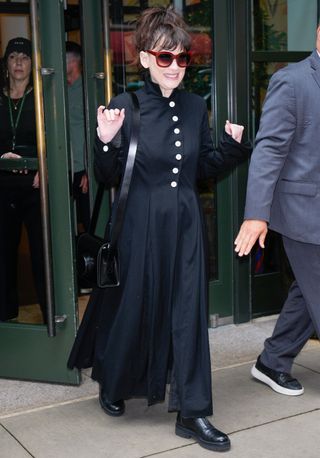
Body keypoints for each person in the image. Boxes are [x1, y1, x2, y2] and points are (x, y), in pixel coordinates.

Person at [68, 7, 249, 452]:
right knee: (133, 307)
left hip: (185, 226)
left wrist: (231, 148)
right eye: (164, 58)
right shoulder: (124, 105)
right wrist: (105, 140)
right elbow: (108, 176)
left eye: (182, 59)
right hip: (138, 226)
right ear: (145, 59)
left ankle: (193, 412)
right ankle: (113, 381)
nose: (174, 67)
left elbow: (202, 166)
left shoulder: (194, 106)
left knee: (189, 314)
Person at [234, 25, 320, 397]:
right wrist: (257, 213)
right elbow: (269, 150)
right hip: (306, 213)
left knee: (308, 291)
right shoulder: (292, 81)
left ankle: (272, 361)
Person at [0, 37, 46, 323]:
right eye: (14, 56)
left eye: (25, 57)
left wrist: (46, 165)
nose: (19, 62)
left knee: (42, 256)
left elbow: (53, 137)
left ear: (33, 64)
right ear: (6, 63)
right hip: (3, 186)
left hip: (35, 186)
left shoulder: (42, 98)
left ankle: (50, 316)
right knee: (3, 255)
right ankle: (5, 319)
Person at [65, 41, 90, 233]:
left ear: (73, 62)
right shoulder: (59, 91)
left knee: (88, 222)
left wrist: (90, 170)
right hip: (62, 169)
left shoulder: (87, 90)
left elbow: (95, 131)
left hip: (82, 169)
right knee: (64, 224)